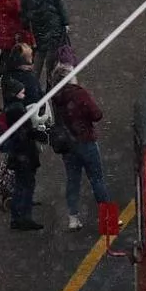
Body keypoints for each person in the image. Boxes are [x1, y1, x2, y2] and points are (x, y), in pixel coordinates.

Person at [50, 64, 111, 231]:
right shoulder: (79, 94)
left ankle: (73, 218)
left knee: (73, 180)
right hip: (85, 140)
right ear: (69, 77)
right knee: (97, 179)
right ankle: (108, 219)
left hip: (67, 145)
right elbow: (96, 114)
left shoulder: (56, 97)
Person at [1, 76, 49, 231]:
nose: (24, 95)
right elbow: (26, 133)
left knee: (20, 186)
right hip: (25, 155)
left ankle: (16, 217)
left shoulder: (10, 108)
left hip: (18, 154)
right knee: (27, 185)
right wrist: (39, 134)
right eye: (21, 93)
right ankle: (25, 217)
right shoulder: (18, 110)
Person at [20, 0, 71, 89]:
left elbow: (24, 5)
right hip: (53, 21)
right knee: (53, 53)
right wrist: (66, 22)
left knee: (40, 51)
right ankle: (51, 84)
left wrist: (26, 23)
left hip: (37, 22)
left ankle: (33, 83)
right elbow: (60, 2)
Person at [0, 0, 34, 90]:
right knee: (15, 52)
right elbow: (17, 7)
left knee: (6, 52)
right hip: (13, 27)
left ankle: (0, 77)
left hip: (5, 26)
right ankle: (8, 77)